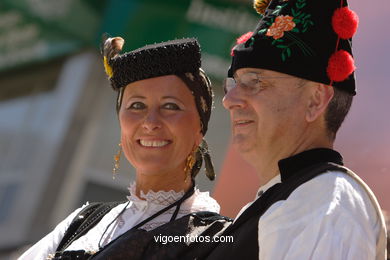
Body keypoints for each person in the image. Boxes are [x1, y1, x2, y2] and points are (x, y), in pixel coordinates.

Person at [205, 0, 387, 259]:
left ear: (315, 100)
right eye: (234, 84)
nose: (229, 100)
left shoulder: (326, 205)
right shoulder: (297, 196)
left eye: (255, 82)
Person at [19, 37, 231, 259]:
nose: (150, 122)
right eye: (136, 105)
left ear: (200, 127)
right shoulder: (81, 224)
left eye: (171, 106)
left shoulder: (216, 240)